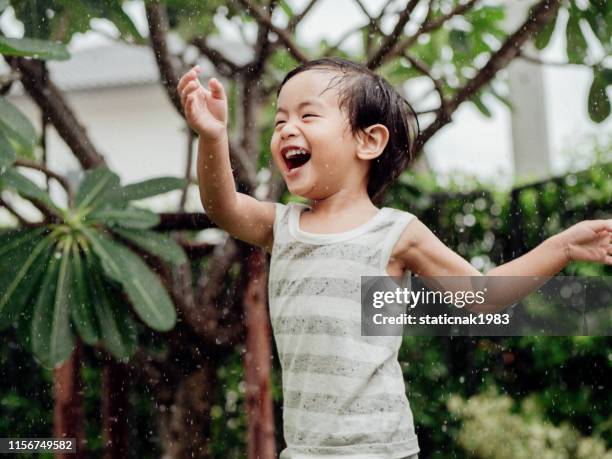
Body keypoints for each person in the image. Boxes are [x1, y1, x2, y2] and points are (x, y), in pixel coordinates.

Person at [177, 57, 612, 459]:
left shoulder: (395, 233)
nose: (287, 129)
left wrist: (563, 247)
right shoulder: (282, 226)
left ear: (369, 141)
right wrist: (212, 136)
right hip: (307, 448)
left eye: (308, 115)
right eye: (280, 120)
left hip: (380, 446)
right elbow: (222, 206)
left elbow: (482, 296)